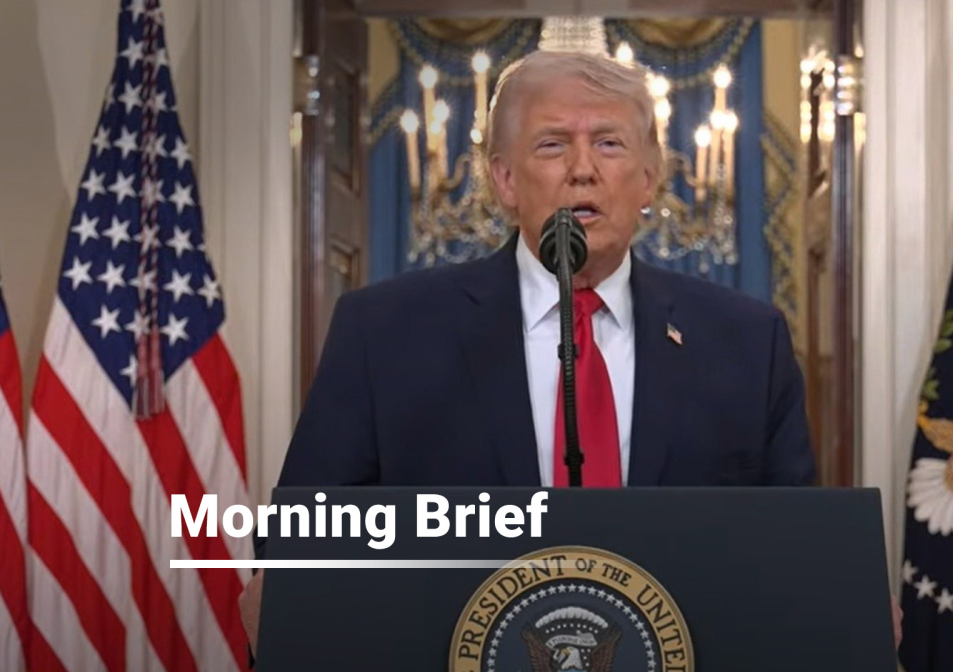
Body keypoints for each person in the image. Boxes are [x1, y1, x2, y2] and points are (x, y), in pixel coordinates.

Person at [240, 48, 899, 650]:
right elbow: (304, 541)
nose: (583, 169)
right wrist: (286, 589)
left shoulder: (747, 341)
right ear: (504, 180)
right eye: (552, 144)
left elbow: (790, 548)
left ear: (649, 178)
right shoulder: (385, 333)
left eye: (609, 143)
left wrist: (841, 603)